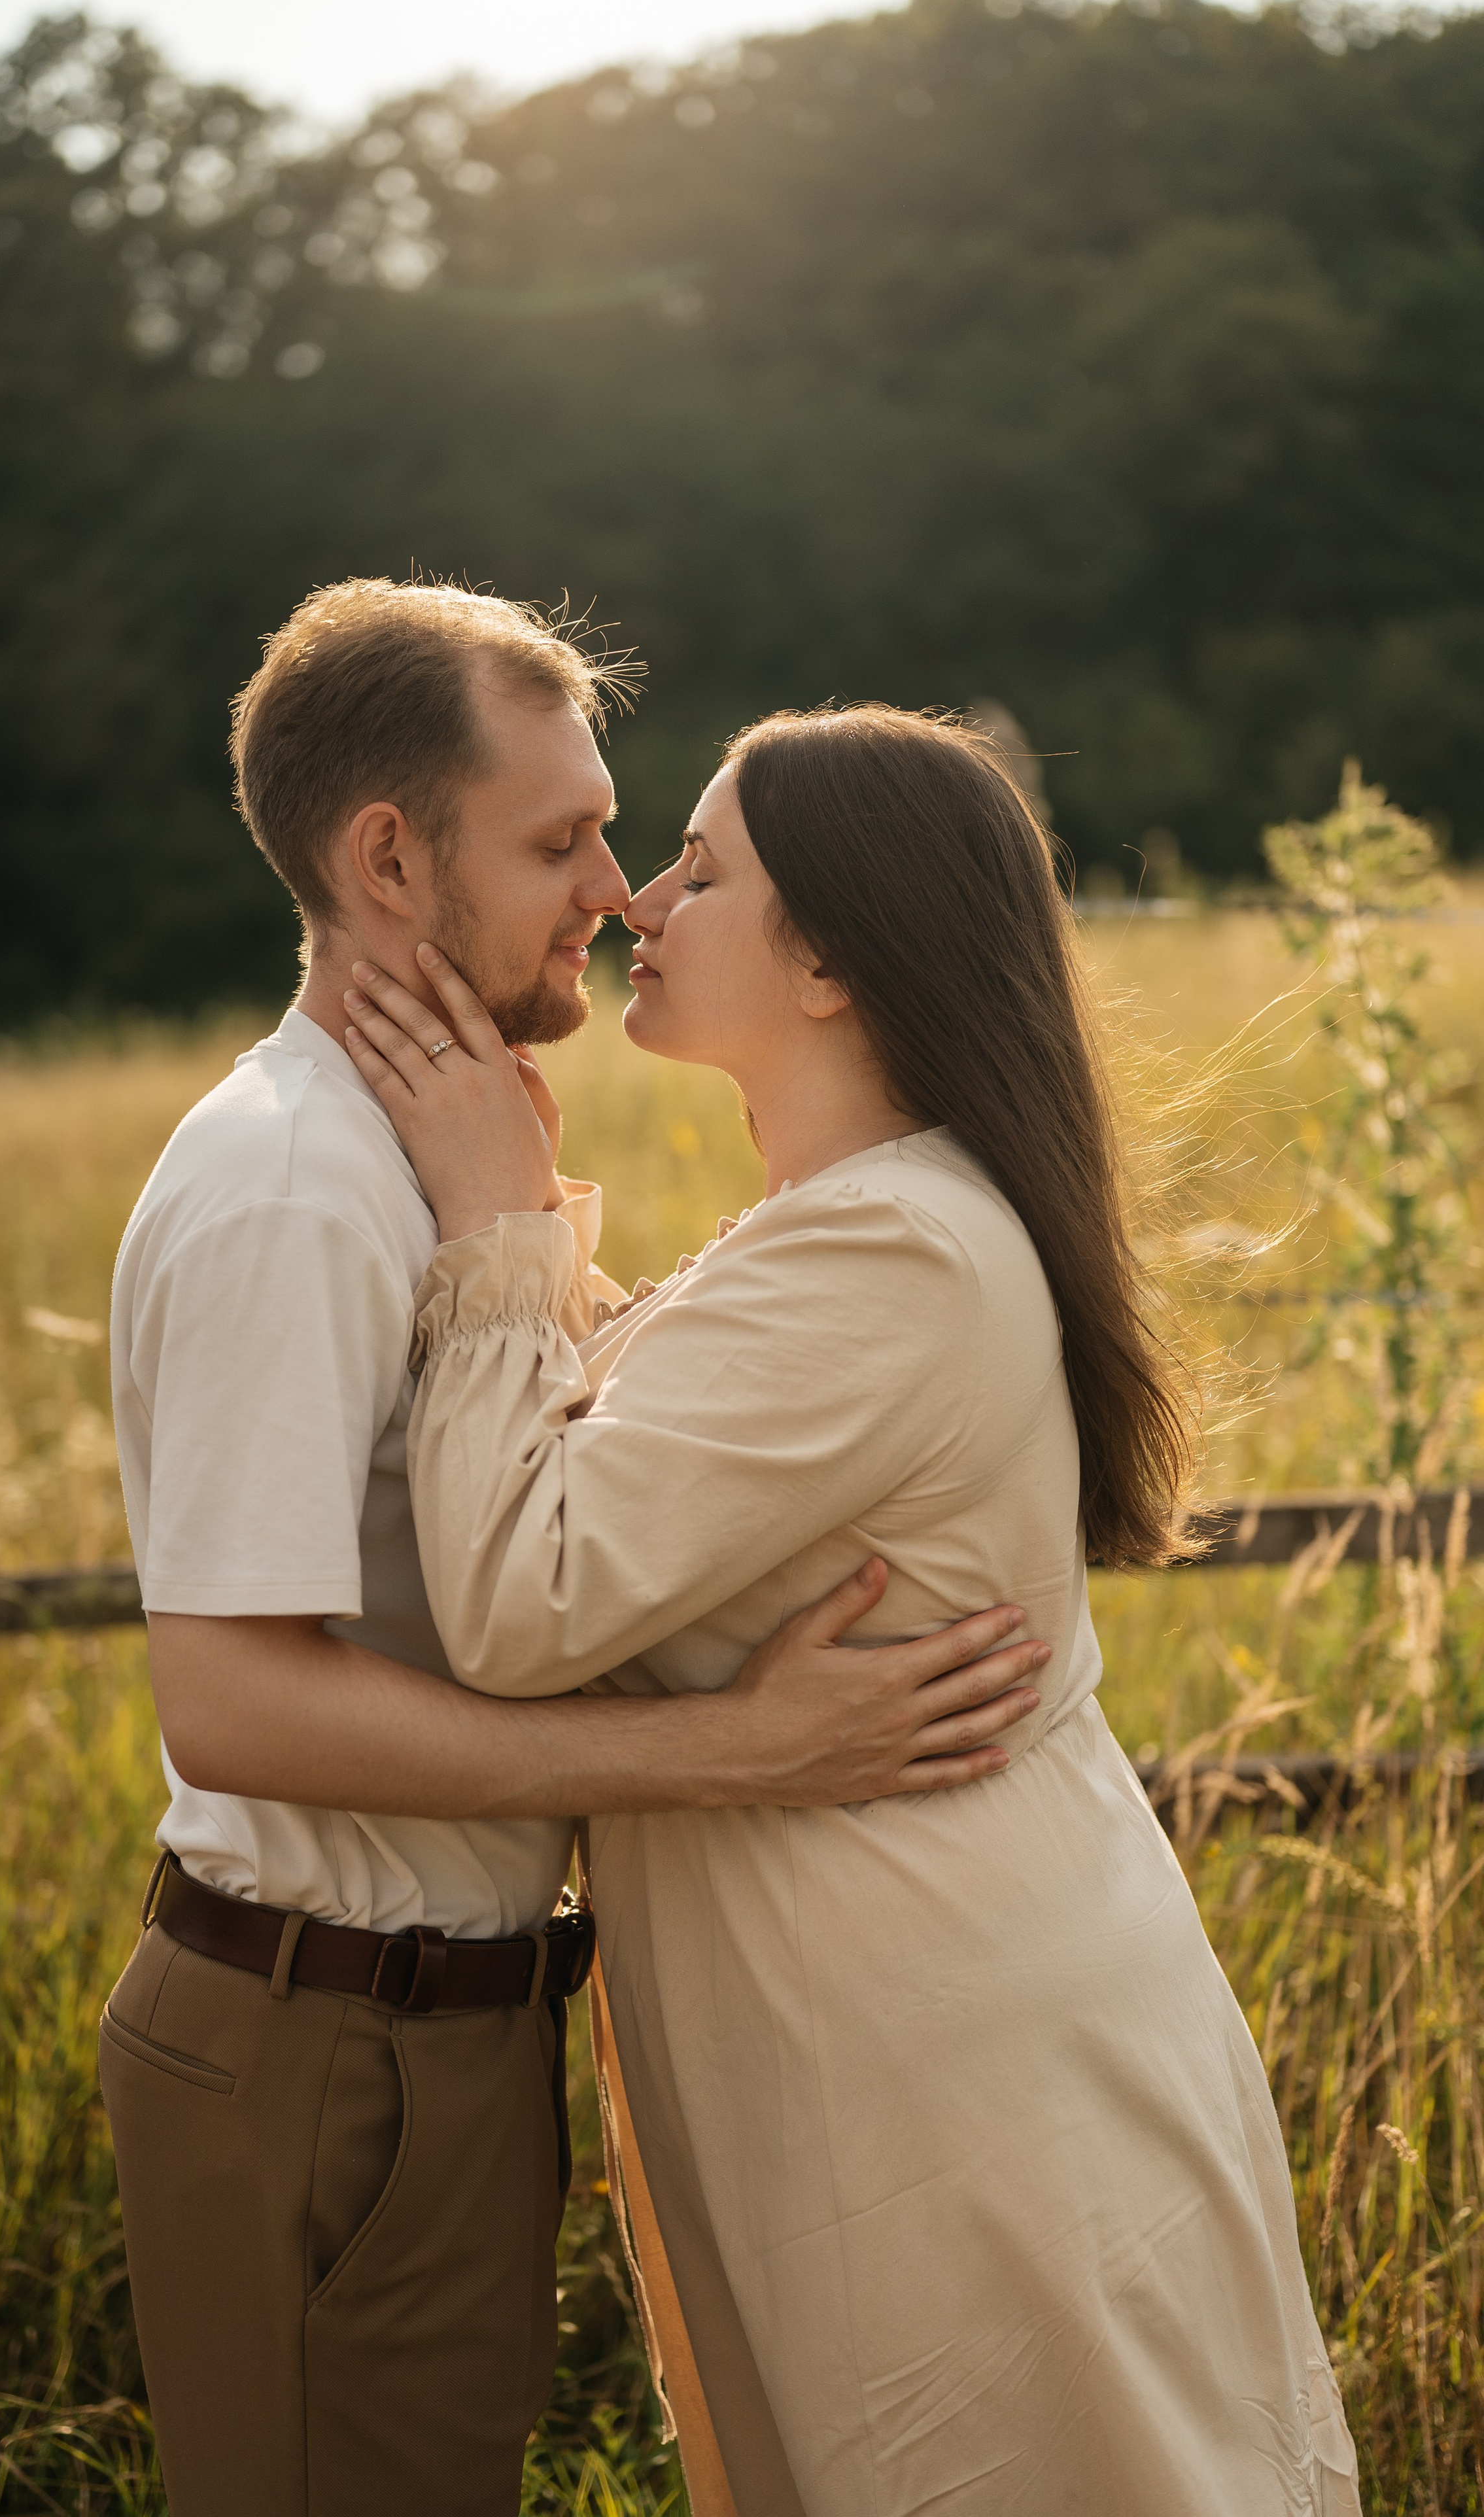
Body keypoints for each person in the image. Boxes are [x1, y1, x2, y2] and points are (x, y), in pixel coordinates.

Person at [340, 701, 1363, 2517]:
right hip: (875, 2014)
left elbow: (518, 1594)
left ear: (829, 959)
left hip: (937, 2053)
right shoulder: (841, 1226)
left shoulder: (887, 1252)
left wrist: (499, 1225)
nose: (644, 897)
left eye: (706, 868)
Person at [99, 583, 1045, 2517]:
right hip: (321, 2038)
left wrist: (519, 1228)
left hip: (432, 2028)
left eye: (623, 840)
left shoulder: (421, 1162)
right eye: (560, 843)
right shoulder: (294, 1187)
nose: (616, 892)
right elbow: (231, 1700)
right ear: (387, 857)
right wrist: (727, 1756)